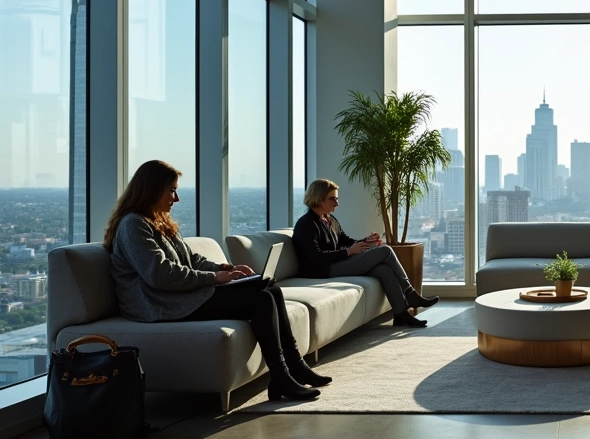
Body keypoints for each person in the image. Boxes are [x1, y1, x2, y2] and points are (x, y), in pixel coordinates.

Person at [104, 160, 329, 403]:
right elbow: (159, 274)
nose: (176, 198)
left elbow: (191, 259)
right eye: (171, 190)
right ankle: (282, 376)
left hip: (176, 296)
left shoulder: (159, 222)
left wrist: (225, 268)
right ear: (152, 189)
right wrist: (214, 278)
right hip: (157, 304)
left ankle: (295, 366)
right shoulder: (133, 225)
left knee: (270, 287)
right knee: (261, 297)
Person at [293, 179, 439, 327]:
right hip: (323, 271)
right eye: (333, 199)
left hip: (336, 262)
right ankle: (410, 293)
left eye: (336, 198)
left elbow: (346, 241)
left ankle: (401, 314)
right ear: (319, 199)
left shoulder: (329, 219)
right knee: (385, 250)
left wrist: (366, 242)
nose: (337, 203)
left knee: (384, 270)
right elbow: (316, 258)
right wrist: (348, 252)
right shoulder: (306, 224)